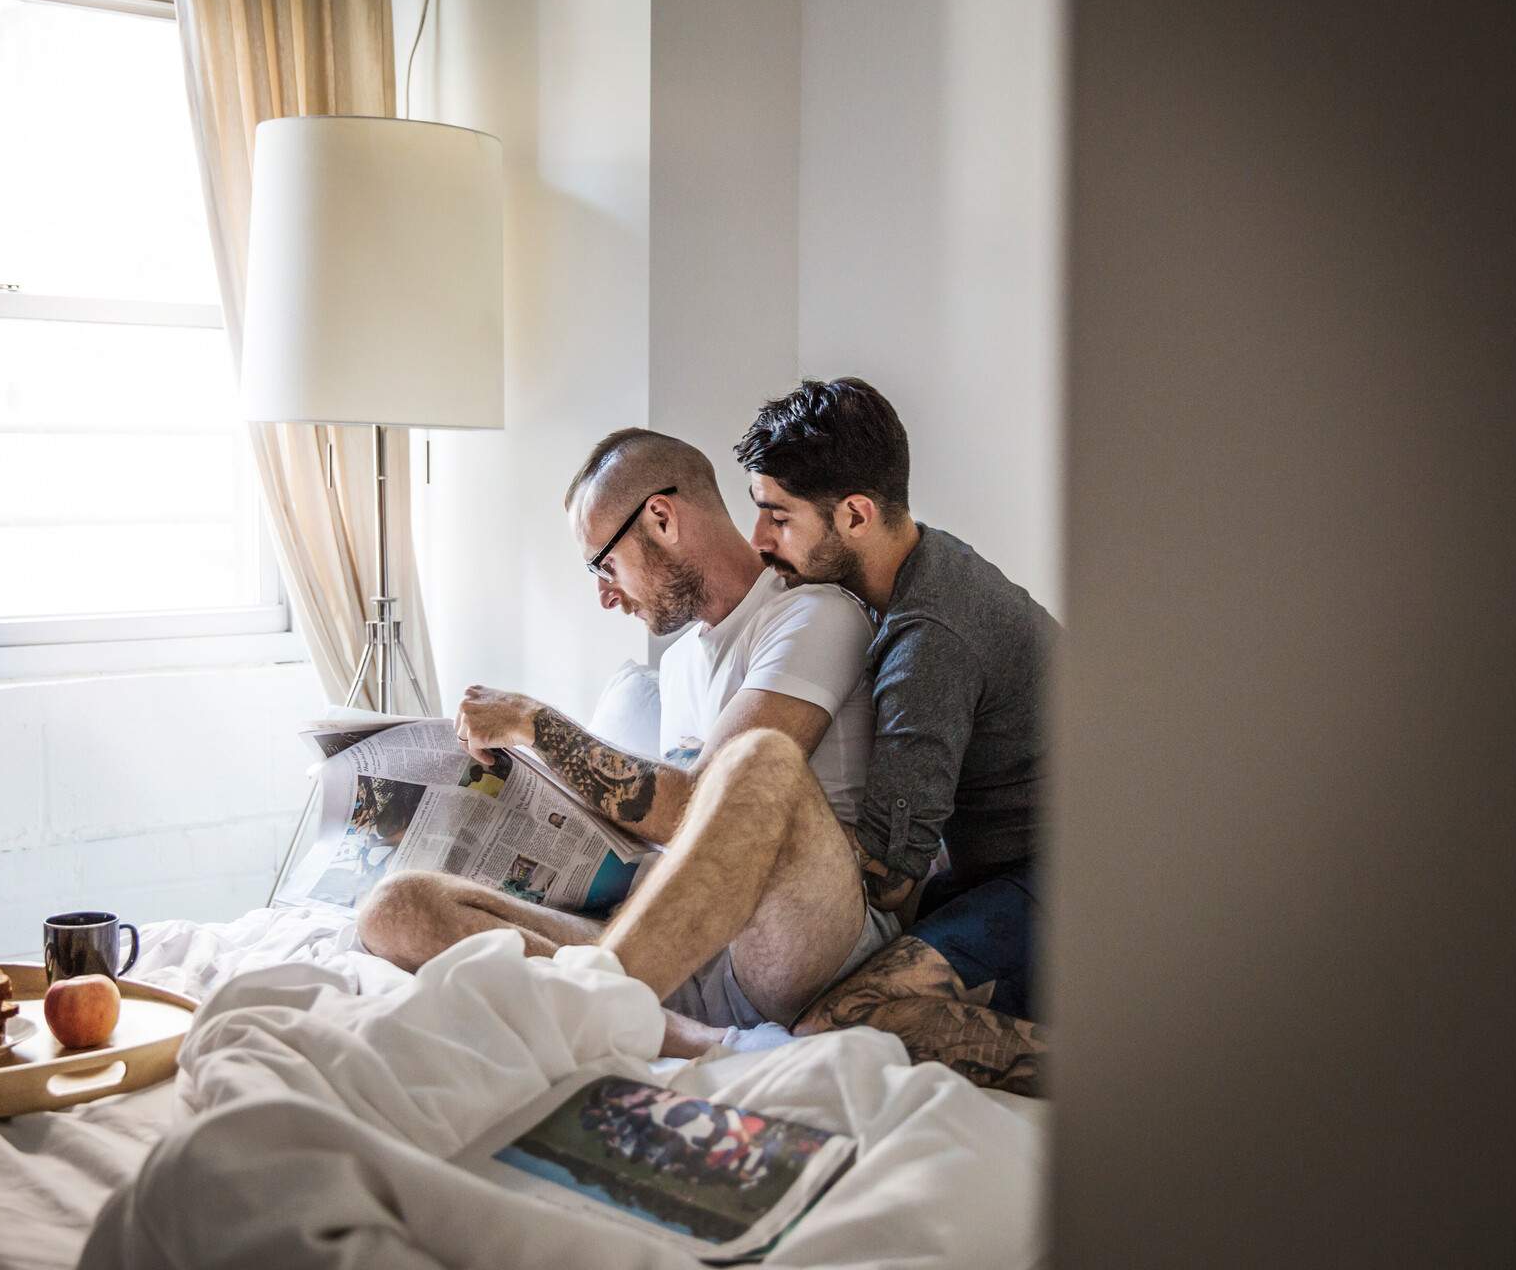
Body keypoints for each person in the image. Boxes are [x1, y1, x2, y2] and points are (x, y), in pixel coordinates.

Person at [356, 429, 894, 1056]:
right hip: (673, 949)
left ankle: (603, 1001)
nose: (605, 595)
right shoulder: (683, 661)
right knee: (395, 906)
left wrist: (536, 722)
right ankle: (694, 1041)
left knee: (759, 762)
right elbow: (663, 827)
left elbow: (699, 802)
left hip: (791, 937)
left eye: (604, 565)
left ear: (662, 519)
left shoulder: (814, 615)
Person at [737, 377, 1057, 1096]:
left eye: (778, 519)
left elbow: (891, 877)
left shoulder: (927, 639)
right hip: (1014, 862)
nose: (759, 542)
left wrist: (776, 821)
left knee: (833, 1028)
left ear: (854, 514)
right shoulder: (929, 561)